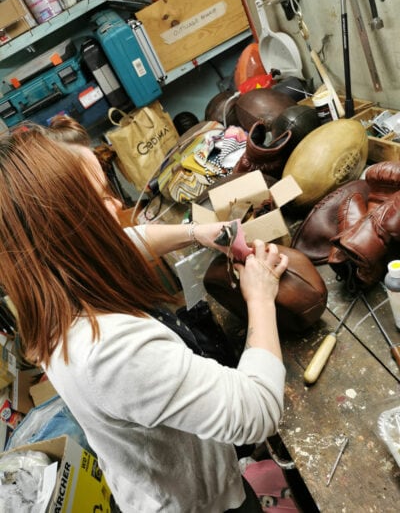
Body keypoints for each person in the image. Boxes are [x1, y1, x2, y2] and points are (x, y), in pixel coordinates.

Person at [0, 128, 288, 512]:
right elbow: (258, 412)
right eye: (101, 197)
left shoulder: (52, 292)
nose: (117, 202)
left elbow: (128, 240)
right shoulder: (110, 351)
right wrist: (261, 297)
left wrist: (197, 232)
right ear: (67, 231)